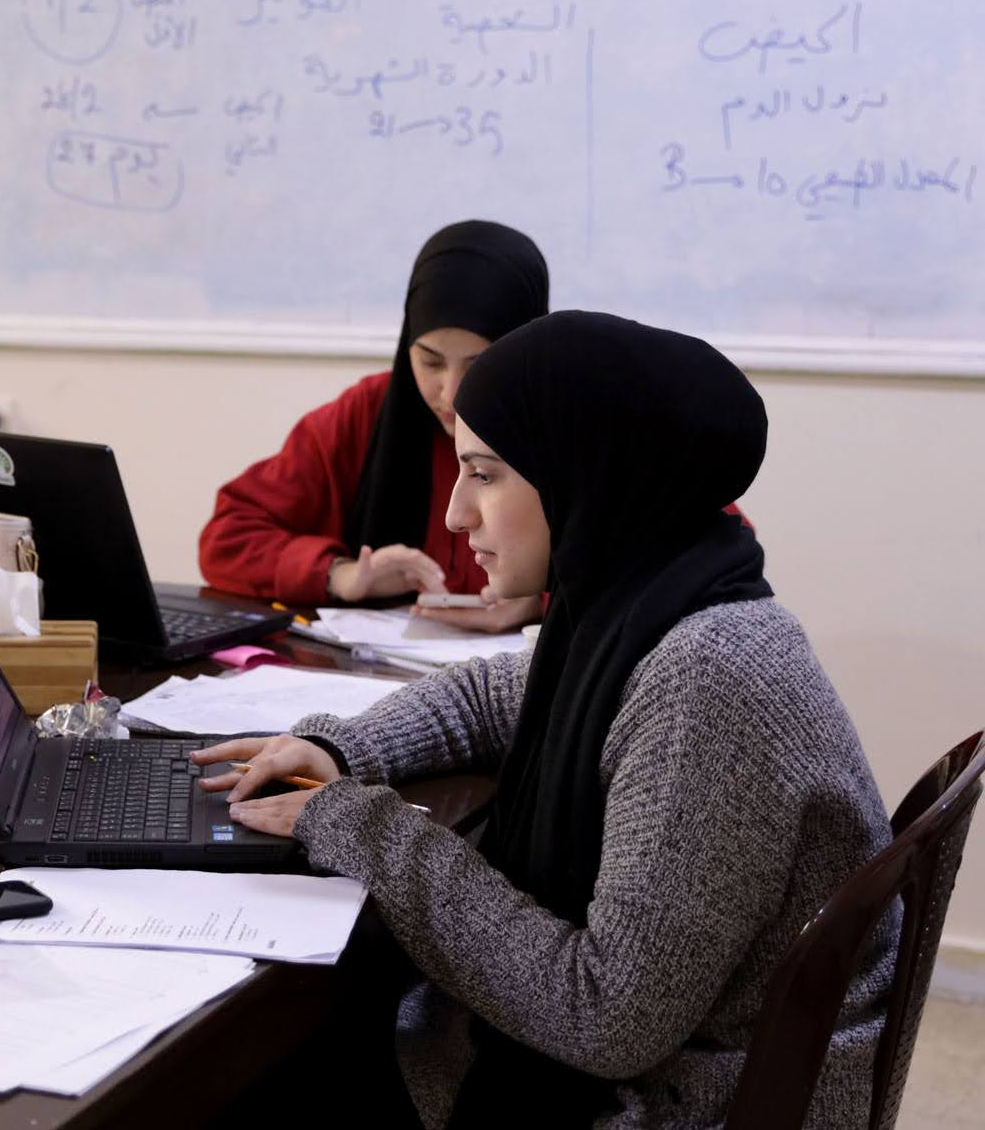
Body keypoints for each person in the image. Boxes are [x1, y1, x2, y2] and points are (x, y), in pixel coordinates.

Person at [198, 311, 896, 1129]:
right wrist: (336, 744)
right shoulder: (648, 595)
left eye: (485, 474)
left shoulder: (704, 677)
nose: (458, 515)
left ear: (585, 472)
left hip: (678, 1101)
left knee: (249, 1085)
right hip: (680, 1062)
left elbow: (604, 1016)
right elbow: (494, 694)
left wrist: (361, 823)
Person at [198, 220, 549, 634]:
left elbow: (635, 568)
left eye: (478, 365)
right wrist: (339, 574)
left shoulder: (572, 426)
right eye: (431, 362)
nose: (451, 393)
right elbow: (227, 537)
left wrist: (539, 599)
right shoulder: (367, 415)